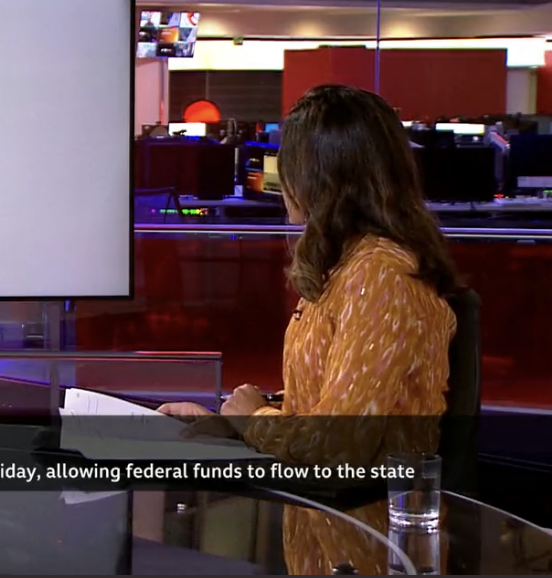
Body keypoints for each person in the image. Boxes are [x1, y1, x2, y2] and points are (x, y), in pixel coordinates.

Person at [159, 84, 460, 467]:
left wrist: (253, 419)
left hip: (361, 519)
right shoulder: (345, 265)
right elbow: (328, 400)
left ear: (319, 177)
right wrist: (232, 423)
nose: (281, 184)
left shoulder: (380, 277)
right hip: (313, 512)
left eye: (287, 165)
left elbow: (337, 443)